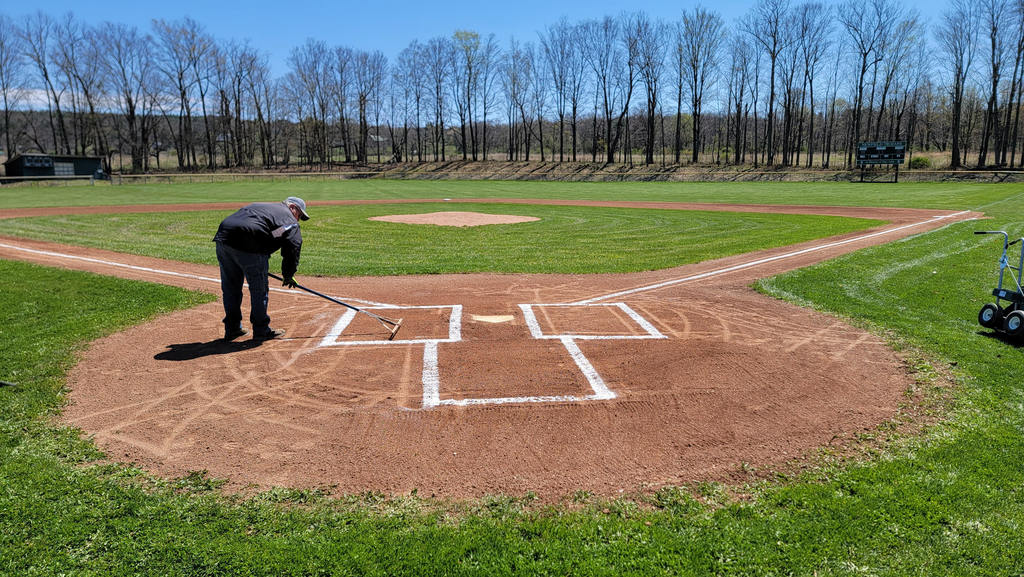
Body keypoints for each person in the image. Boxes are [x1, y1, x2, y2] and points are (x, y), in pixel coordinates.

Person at [213, 196, 310, 340]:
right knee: (259, 289)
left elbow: (268, 233)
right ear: (292, 208)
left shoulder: (264, 208)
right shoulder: (289, 219)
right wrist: (288, 274)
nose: (298, 220)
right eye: (299, 215)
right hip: (248, 244)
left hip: (224, 239)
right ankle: (261, 330)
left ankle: (232, 328)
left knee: (231, 287)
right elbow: (293, 247)